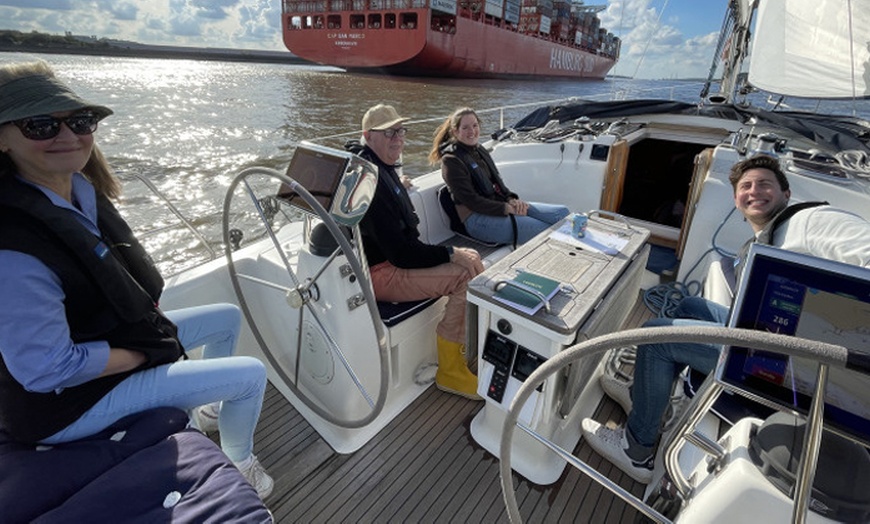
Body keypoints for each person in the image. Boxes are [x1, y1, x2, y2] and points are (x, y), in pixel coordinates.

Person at [0, 61, 273, 498]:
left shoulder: (79, 192)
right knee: (250, 375)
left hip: (110, 342)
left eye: (80, 121)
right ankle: (241, 465)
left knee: (226, 316)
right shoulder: (14, 249)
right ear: (3, 138)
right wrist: (142, 356)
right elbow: (44, 369)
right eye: (40, 125)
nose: (68, 136)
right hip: (64, 407)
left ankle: (207, 413)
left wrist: (149, 338)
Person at [581, 154, 870, 484]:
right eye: (746, 186)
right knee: (691, 306)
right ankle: (647, 400)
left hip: (794, 365)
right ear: (736, 200)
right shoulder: (769, 236)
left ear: (787, 194)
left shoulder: (812, 220)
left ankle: (637, 449)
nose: (754, 191)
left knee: (655, 337)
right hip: (766, 336)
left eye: (765, 184)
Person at [348, 103, 485, 399]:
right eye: (388, 133)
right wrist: (451, 253)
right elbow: (401, 254)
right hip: (382, 273)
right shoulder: (370, 183)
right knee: (468, 274)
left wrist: (398, 180)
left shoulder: (374, 166)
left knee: (474, 263)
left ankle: (464, 349)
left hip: (389, 262)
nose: (397, 138)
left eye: (400, 131)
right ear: (367, 136)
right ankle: (450, 370)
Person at [429, 107, 570, 246]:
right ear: (455, 131)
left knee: (562, 213)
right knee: (544, 230)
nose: (471, 131)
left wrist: (512, 199)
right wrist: (505, 208)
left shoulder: (478, 150)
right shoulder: (451, 161)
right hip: (476, 220)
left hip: (498, 204)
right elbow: (471, 201)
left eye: (474, 125)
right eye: (465, 127)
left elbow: (497, 183)